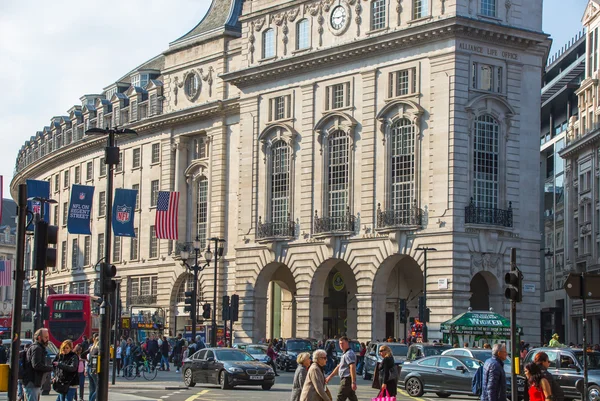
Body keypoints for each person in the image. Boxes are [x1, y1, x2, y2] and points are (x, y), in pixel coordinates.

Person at [23, 328, 54, 401]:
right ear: (39, 338)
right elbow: (36, 365)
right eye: (46, 337)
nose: (47, 339)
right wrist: (50, 368)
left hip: (33, 381)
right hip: (32, 381)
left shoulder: (37, 347)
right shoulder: (37, 348)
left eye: (48, 337)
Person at [325, 336, 358, 401]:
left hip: (347, 380)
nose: (341, 345)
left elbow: (352, 367)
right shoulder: (345, 354)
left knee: (340, 398)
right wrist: (329, 377)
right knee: (352, 398)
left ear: (347, 343)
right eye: (340, 344)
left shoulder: (349, 354)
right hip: (345, 379)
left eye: (343, 343)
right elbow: (339, 367)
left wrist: (353, 382)